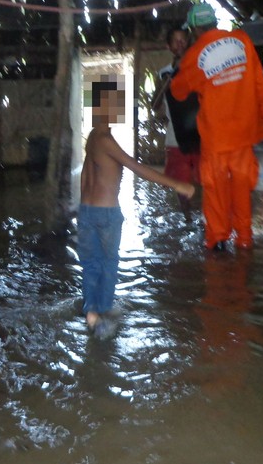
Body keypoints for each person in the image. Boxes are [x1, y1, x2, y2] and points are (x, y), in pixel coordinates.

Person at [79, 75, 195, 338]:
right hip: (106, 214)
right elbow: (138, 169)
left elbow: (88, 175)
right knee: (108, 263)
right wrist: (178, 185)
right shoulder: (106, 140)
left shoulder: (93, 138)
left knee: (90, 264)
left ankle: (90, 313)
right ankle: (103, 314)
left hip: (85, 213)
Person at [171, 3, 263, 251]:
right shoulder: (242, 41)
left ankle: (218, 241)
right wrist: (259, 121)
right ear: (215, 22)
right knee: (241, 185)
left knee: (215, 188)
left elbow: (178, 91)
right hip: (244, 133)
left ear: (194, 29)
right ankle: (244, 239)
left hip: (216, 136)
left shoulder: (196, 55)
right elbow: (260, 85)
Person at [151, 28, 201, 222]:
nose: (180, 44)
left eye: (183, 40)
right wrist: (167, 82)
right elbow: (155, 106)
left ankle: (205, 219)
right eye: (175, 41)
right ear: (169, 46)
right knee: (181, 180)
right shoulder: (164, 73)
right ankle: (188, 219)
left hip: (200, 131)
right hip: (176, 134)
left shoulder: (198, 67)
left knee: (205, 177)